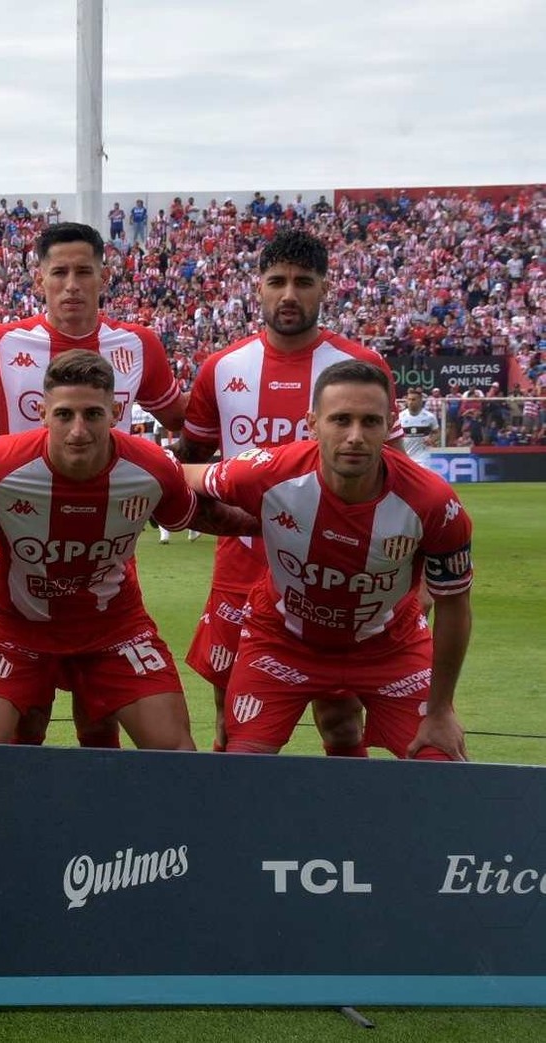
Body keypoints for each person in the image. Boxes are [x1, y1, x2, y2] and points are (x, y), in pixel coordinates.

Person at [0, 350, 255, 750]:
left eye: (92, 414)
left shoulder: (153, 467)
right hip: (13, 625)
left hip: (114, 628)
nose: (78, 430)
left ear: (116, 411)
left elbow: (203, 517)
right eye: (64, 415)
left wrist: (278, 521)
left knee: (179, 756)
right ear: (42, 412)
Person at [0, 221, 187, 748]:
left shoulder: (138, 343)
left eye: (84, 271)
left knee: (99, 715)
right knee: (28, 720)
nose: (72, 284)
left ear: (104, 275)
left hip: (108, 550)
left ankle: (102, 827)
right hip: (23, 547)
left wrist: (152, 480)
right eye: (59, 272)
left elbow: (183, 420)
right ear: (40, 278)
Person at [176, 228, 402, 754]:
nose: (289, 295)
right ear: (258, 287)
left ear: (324, 287)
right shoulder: (223, 367)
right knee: (231, 713)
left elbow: (393, 470)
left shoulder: (360, 369)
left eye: (303, 282)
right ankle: (234, 829)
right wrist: (213, 516)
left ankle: (347, 831)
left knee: (341, 717)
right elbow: (192, 463)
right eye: (277, 281)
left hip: (333, 566)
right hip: (241, 565)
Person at [191, 360, 473, 760]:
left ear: (390, 425)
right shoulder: (268, 471)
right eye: (340, 420)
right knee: (242, 770)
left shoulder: (434, 502)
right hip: (282, 641)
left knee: (441, 761)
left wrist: (442, 709)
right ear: (312, 422)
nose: (355, 436)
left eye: (370, 422)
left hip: (389, 648)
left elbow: (455, 603)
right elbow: (182, 475)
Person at [398, 386, 441, 465]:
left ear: (420, 401)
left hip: (423, 457)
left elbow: (437, 432)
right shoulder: (400, 417)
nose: (411, 402)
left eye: (414, 399)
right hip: (405, 457)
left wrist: (432, 439)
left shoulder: (429, 417)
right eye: (409, 399)